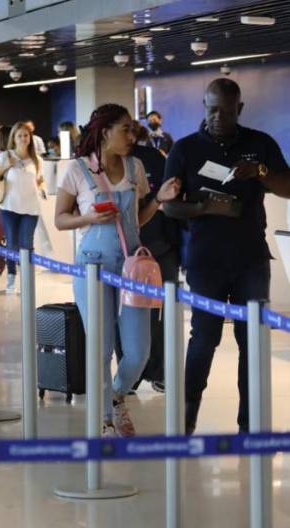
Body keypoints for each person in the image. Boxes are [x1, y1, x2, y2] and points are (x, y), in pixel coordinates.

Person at [164, 79, 290, 434]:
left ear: (240, 109)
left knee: (252, 342)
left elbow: (288, 186)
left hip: (251, 259)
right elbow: (169, 205)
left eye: (227, 111)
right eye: (212, 110)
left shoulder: (259, 144)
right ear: (204, 107)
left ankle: (249, 425)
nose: (218, 117)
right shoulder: (185, 149)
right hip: (205, 260)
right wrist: (202, 207)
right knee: (204, 339)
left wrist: (262, 172)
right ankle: (186, 418)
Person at [54, 104, 180, 437]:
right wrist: (88, 218)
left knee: (139, 352)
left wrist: (159, 200)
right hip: (92, 265)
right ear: (105, 130)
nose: (132, 134)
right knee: (101, 346)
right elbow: (60, 219)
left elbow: (135, 220)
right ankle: (103, 419)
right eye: (125, 128)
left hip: (132, 267)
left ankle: (115, 395)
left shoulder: (135, 166)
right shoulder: (77, 170)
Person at [115, 120, 177, 394]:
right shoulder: (102, 163)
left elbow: (165, 199)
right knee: (124, 312)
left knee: (159, 314)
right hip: (123, 250)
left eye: (130, 130)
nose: (129, 136)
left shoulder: (152, 158)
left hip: (159, 247)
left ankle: (159, 371)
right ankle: (130, 374)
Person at [0, 122, 46, 292]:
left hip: (31, 207)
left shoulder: (37, 159)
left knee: (27, 243)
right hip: (9, 206)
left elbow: (40, 179)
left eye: (26, 135)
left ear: (30, 138)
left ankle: (27, 278)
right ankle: (11, 277)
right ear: (13, 138)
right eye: (19, 135)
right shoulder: (5, 156)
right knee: (12, 243)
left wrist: (43, 189)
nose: (23, 139)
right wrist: (7, 165)